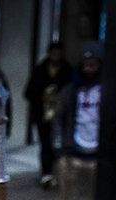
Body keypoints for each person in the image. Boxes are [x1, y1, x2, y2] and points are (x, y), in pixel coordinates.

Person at [53, 44, 103, 200]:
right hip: (72, 153)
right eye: (86, 64)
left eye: (94, 64)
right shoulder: (71, 90)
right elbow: (59, 118)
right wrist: (61, 148)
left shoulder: (106, 90)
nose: (90, 68)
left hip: (97, 154)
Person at [25, 42, 71, 188]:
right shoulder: (40, 69)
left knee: (58, 145)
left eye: (58, 53)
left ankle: (58, 174)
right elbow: (28, 91)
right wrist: (42, 95)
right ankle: (46, 174)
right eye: (53, 52)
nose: (56, 56)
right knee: (45, 145)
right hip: (43, 114)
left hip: (61, 115)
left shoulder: (68, 70)